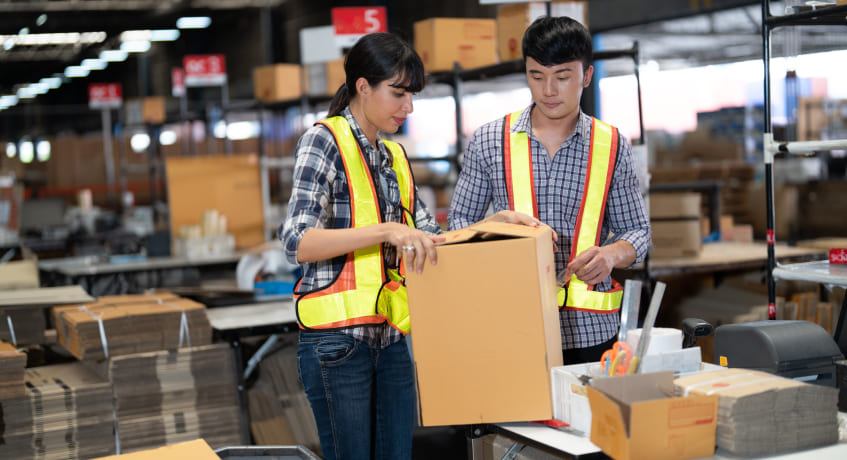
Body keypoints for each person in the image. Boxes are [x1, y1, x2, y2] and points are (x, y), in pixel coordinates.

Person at [449, 16, 651, 365]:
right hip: (514, 326)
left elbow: (638, 232)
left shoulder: (612, 145)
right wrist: (493, 226)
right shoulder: (489, 141)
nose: (548, 91)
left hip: (591, 331)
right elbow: (456, 227)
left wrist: (612, 255)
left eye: (562, 77)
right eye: (536, 76)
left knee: (586, 420)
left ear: (586, 76)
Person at [279, 33, 443, 460]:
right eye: (399, 93)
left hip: (389, 342)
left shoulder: (393, 157)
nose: (407, 107)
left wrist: (494, 226)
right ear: (363, 86)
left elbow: (429, 236)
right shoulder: (324, 141)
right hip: (338, 346)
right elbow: (298, 240)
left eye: (412, 96)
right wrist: (386, 231)